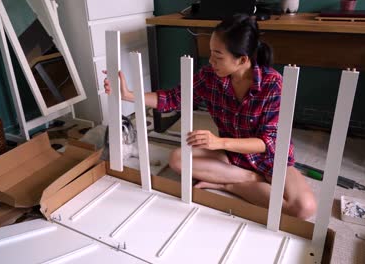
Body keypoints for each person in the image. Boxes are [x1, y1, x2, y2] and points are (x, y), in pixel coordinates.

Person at [104, 14, 316, 220]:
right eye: (210, 53)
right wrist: (129, 95)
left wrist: (217, 142)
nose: (211, 61)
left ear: (242, 59)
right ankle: (248, 179)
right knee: (178, 159)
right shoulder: (210, 77)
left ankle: (228, 184)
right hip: (231, 155)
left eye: (218, 56)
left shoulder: (272, 84)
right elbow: (172, 98)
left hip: (269, 158)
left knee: (304, 209)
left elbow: (270, 142)